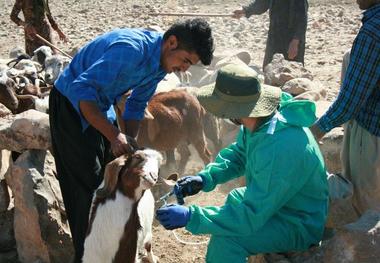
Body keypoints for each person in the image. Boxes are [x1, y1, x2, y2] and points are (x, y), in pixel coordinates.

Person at [49, 18, 214, 262]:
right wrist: (114, 135)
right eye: (186, 60)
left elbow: (136, 104)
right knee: (87, 188)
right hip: (71, 107)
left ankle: (113, 245)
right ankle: (87, 255)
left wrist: (130, 143)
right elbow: (82, 91)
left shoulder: (160, 66)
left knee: (113, 176)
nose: (184, 69)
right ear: (172, 42)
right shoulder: (130, 50)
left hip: (100, 106)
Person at [156, 64, 328, 263]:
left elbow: (250, 215)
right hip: (278, 205)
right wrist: (205, 178)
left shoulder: (278, 146)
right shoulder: (262, 121)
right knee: (233, 204)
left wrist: (191, 216)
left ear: (235, 109)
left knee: (227, 243)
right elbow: (239, 155)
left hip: (297, 221)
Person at [310, 0, 380, 216]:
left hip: (371, 133)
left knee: (365, 208)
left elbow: (350, 100)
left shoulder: (373, 31)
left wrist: (315, 131)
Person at [232, 0, 308, 70]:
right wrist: (244, 10)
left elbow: (302, 18)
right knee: (269, 70)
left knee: (291, 73)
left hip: (291, 39)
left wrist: (295, 42)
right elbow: (262, 3)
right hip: (274, 36)